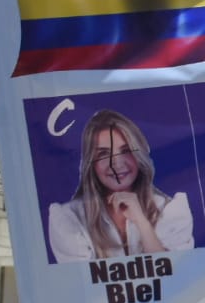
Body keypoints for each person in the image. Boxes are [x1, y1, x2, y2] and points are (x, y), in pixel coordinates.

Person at [48, 110, 194, 263]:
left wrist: (142, 223)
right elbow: (82, 283)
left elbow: (176, 272)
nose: (116, 164)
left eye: (126, 151)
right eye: (103, 154)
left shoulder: (170, 210)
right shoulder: (69, 219)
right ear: (90, 163)